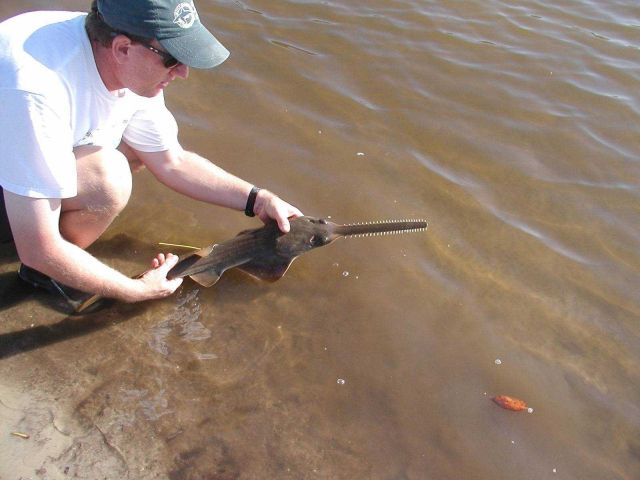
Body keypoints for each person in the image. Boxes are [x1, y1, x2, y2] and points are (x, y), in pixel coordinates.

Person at [0, 0, 302, 307]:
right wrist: (135, 290)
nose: (183, 71)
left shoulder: (121, 58)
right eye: (172, 58)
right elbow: (37, 247)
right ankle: (44, 275)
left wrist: (258, 199)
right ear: (122, 48)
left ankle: (58, 250)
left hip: (14, 154)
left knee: (135, 150)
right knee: (109, 178)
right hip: (11, 161)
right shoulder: (35, 89)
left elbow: (172, 162)